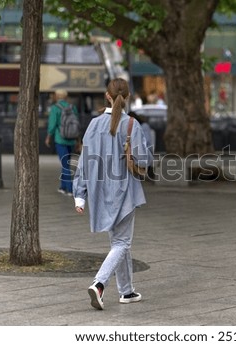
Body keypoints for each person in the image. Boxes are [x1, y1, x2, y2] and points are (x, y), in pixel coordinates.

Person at [73, 78, 153, 310]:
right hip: (124, 191)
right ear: (127, 97)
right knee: (122, 242)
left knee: (119, 242)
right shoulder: (131, 125)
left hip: (99, 192)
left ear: (107, 96)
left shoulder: (93, 125)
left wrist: (80, 195)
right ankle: (99, 284)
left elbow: (84, 162)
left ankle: (126, 291)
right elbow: (144, 159)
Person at [45, 89, 79, 196]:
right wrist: (78, 140)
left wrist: (48, 137)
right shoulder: (72, 107)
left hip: (60, 140)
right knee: (66, 163)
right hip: (72, 140)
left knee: (65, 165)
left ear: (57, 96)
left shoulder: (55, 108)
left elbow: (52, 124)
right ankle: (63, 187)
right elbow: (76, 124)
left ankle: (70, 189)